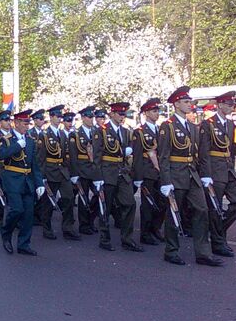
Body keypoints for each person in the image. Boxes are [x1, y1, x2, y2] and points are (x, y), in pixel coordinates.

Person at [158, 86, 223, 267]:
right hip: (176, 174)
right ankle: (171, 251)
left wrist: (206, 175)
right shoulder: (167, 126)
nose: (190, 105)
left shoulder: (193, 127)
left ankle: (203, 253)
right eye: (186, 102)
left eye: (190, 102)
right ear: (176, 104)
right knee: (174, 213)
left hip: (192, 174)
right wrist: (166, 181)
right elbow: (163, 156)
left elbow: (201, 154)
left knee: (202, 210)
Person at [197, 91, 236, 257]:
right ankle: (218, 242)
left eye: (232, 105)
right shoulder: (207, 124)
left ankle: (219, 231)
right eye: (229, 105)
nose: (231, 107)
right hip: (214, 169)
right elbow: (203, 151)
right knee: (215, 207)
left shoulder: (230, 125)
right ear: (220, 105)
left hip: (228, 168)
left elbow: (231, 149)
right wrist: (205, 173)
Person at [93, 102, 143, 252]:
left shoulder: (125, 132)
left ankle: (127, 239)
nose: (122, 117)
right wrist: (97, 177)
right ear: (112, 114)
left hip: (121, 172)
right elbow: (96, 156)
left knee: (130, 203)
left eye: (124, 115)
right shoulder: (101, 131)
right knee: (105, 207)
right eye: (120, 114)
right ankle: (104, 238)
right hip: (107, 172)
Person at [0, 109, 44, 256]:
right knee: (17, 210)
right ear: (16, 123)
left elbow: (34, 165)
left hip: (27, 180)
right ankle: (6, 234)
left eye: (28, 123)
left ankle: (24, 244)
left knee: (28, 214)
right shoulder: (6, 139)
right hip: (12, 180)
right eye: (25, 123)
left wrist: (39, 184)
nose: (27, 126)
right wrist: (17, 145)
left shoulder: (30, 140)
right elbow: (1, 155)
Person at [36, 105, 80, 240]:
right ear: (51, 117)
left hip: (63, 171)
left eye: (61, 116)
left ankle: (68, 228)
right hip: (50, 170)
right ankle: (47, 228)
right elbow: (40, 158)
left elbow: (68, 155)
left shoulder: (62, 134)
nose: (60, 119)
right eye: (57, 116)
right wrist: (41, 177)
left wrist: (73, 173)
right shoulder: (43, 135)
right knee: (48, 202)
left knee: (69, 198)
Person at [132, 98, 167, 246]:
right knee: (147, 203)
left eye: (157, 111)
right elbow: (138, 156)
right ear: (146, 113)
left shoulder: (162, 130)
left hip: (161, 171)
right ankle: (145, 233)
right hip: (147, 171)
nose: (156, 113)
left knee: (162, 202)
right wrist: (138, 177)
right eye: (153, 111)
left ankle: (156, 228)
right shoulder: (139, 132)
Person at [69, 106, 100, 237]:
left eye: (92, 117)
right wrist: (74, 173)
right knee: (83, 197)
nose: (91, 119)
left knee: (99, 195)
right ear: (82, 118)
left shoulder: (97, 132)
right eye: (88, 117)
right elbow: (73, 156)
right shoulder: (75, 134)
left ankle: (91, 219)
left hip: (94, 169)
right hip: (82, 169)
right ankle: (84, 224)